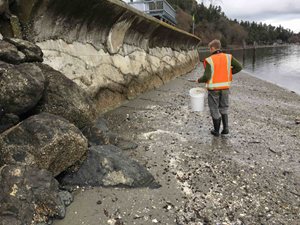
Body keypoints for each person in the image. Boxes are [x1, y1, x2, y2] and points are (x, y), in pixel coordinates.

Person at [196, 39, 243, 136]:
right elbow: (239, 67)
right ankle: (225, 129)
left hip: (213, 89)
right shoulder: (228, 57)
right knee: (224, 107)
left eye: (210, 49)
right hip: (225, 87)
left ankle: (216, 131)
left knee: (214, 108)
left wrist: (199, 80)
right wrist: (229, 73)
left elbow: (207, 76)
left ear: (212, 48)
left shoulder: (209, 60)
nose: (210, 50)